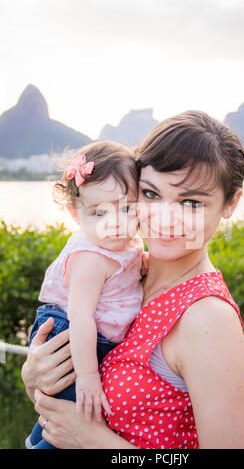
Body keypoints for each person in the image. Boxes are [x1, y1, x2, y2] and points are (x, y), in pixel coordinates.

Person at [22, 110, 244, 449]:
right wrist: (32, 375)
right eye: (150, 194)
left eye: (191, 202)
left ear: (230, 203)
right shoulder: (125, 275)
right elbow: (63, 407)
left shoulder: (207, 319)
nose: (163, 217)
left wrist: (94, 441)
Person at [25, 141, 145, 449]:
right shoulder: (91, 259)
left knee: (58, 418)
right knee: (73, 420)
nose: (115, 221)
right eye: (99, 212)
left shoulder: (124, 244)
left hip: (90, 337)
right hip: (73, 335)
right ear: (75, 214)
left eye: (127, 208)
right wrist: (88, 376)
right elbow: (80, 316)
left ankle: (35, 441)